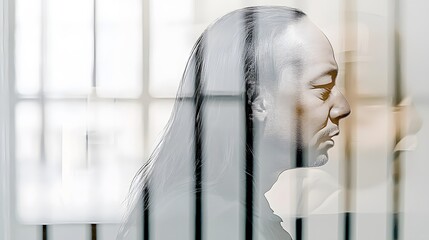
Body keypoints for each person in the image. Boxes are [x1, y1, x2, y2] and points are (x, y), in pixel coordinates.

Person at [118, 6, 350, 240]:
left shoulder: (226, 212)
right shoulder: (213, 221)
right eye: (322, 88)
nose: (343, 107)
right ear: (256, 100)